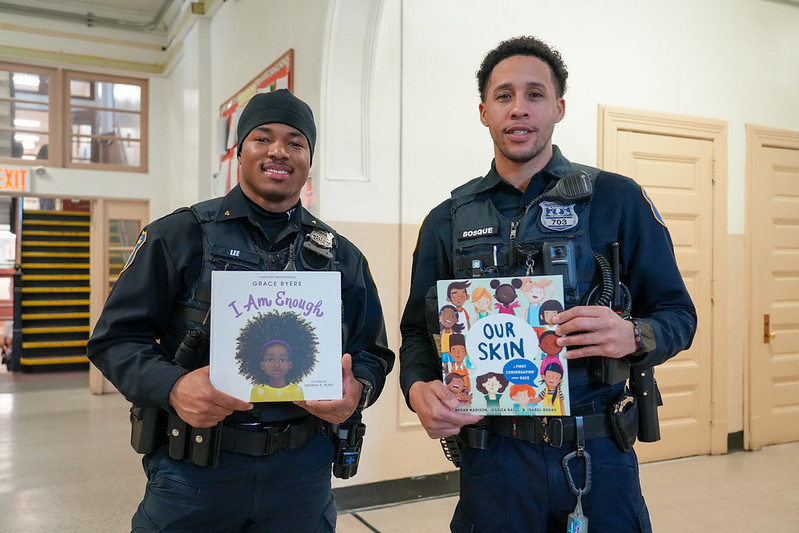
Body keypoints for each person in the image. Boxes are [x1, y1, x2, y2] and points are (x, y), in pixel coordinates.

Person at [399, 36, 696, 532]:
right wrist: (417, 389)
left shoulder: (616, 200)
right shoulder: (447, 220)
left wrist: (633, 335)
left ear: (558, 107)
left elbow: (678, 316)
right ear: (484, 112)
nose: (519, 108)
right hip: (493, 460)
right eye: (504, 95)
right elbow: (416, 332)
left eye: (535, 94)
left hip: (598, 455)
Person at [87, 89, 394, 532]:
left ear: (309, 159)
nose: (278, 151)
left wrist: (357, 391)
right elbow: (115, 340)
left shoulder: (342, 258)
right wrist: (173, 386)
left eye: (295, 142)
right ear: (239, 151)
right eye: (262, 138)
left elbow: (373, 353)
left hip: (302, 477)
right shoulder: (179, 236)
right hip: (194, 473)